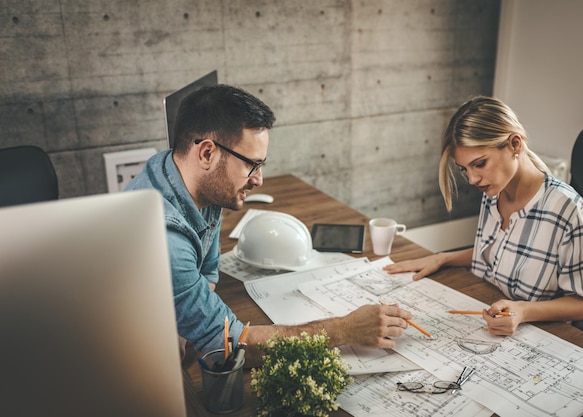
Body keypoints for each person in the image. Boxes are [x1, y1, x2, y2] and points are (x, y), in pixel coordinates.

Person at [126, 84, 411, 363]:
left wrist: (186, 316)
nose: (258, 179)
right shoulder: (167, 240)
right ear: (207, 153)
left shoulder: (188, 175)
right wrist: (345, 330)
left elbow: (209, 272)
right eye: (251, 164)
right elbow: (230, 345)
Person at [383, 96, 583, 336]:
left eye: (480, 164)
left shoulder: (569, 213)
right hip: (490, 315)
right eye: (465, 169)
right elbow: (501, 251)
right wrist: (443, 258)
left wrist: (525, 311)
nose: (472, 179)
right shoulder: (495, 189)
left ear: (515, 144)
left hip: (542, 335)